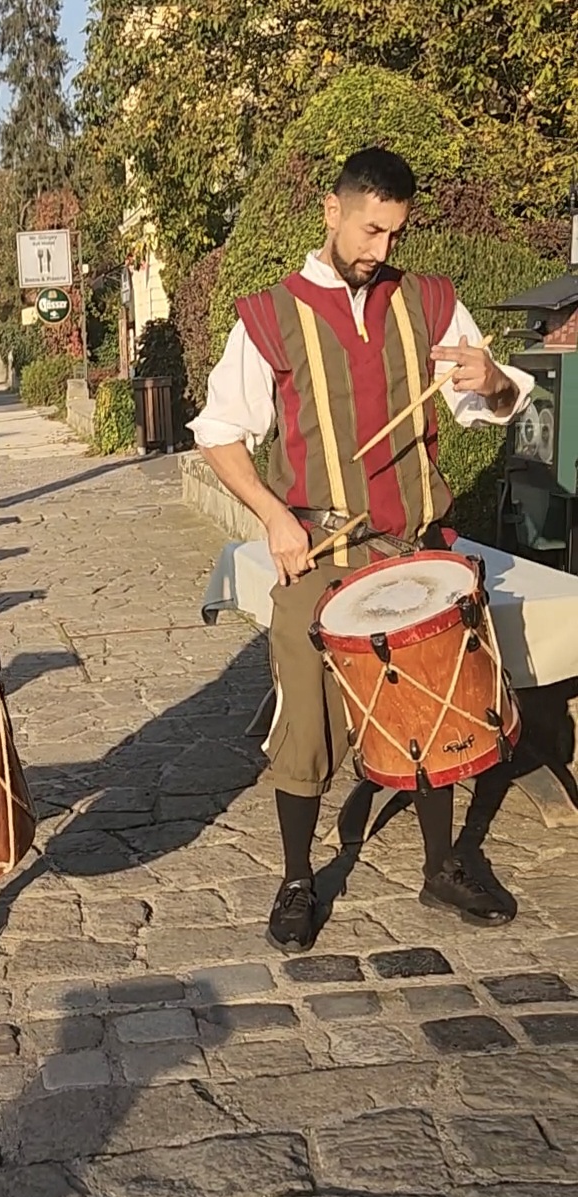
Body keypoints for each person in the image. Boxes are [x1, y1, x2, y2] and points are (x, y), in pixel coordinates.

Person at [189, 147, 535, 953]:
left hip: (417, 546)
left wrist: (489, 378)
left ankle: (443, 863)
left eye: (394, 233)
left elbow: (494, 396)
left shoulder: (430, 302)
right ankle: (298, 877)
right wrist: (275, 516)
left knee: (435, 701)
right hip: (322, 551)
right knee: (305, 715)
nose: (382, 249)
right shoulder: (268, 315)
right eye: (371, 229)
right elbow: (217, 432)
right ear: (331, 212)